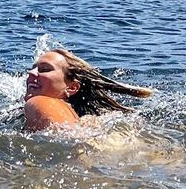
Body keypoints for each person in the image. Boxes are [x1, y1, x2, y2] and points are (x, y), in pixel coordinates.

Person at [24, 47, 153, 132]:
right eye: (33, 68)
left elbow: (69, 142)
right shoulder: (85, 119)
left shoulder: (39, 102)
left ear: (72, 88)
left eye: (45, 69)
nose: (31, 72)